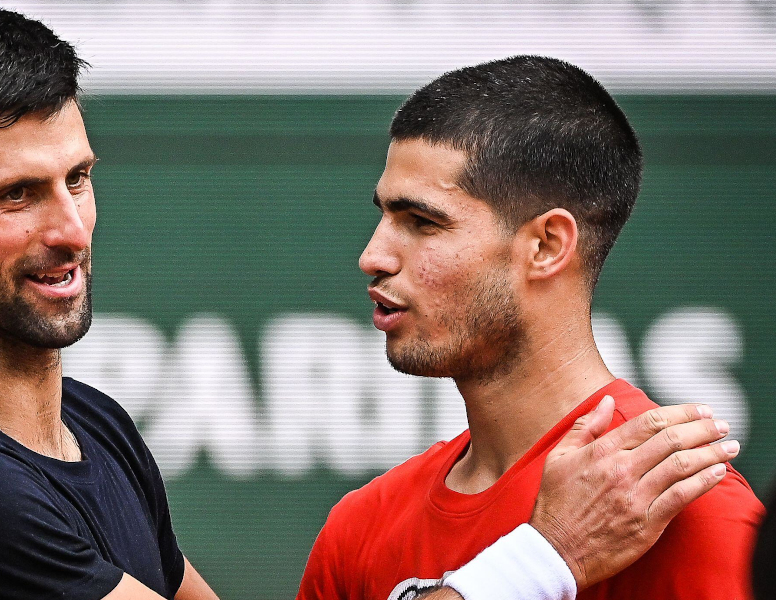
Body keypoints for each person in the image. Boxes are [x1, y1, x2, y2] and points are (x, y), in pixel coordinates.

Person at [0, 6, 740, 600]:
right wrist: (541, 560)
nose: (71, 228)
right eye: (18, 195)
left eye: (80, 179)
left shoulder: (94, 426)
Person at [296, 55, 765, 600]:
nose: (373, 256)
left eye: (423, 223)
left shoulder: (693, 519)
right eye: (383, 216)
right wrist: (540, 562)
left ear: (546, 246)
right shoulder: (361, 530)